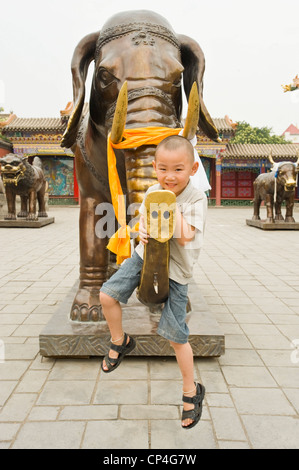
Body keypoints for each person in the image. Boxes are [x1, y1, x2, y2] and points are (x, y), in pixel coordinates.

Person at [99, 135, 207, 429]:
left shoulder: (197, 198)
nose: (169, 177)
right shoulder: (151, 192)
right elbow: (145, 223)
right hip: (144, 256)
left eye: (178, 169)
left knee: (176, 337)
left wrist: (170, 205)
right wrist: (142, 232)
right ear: (155, 167)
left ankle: (191, 391)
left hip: (176, 270)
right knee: (107, 296)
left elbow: (185, 236)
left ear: (193, 169)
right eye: (163, 169)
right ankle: (121, 341)